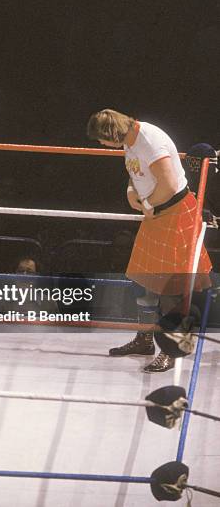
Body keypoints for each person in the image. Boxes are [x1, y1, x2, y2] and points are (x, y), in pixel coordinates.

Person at [87, 109, 212, 372]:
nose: (101, 145)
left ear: (111, 133)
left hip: (174, 212)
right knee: (144, 281)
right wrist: (132, 190)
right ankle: (145, 340)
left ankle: (171, 349)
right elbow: (137, 173)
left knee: (170, 288)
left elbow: (166, 183)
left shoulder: (150, 140)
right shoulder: (129, 140)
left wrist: (146, 202)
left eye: (101, 139)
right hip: (157, 213)